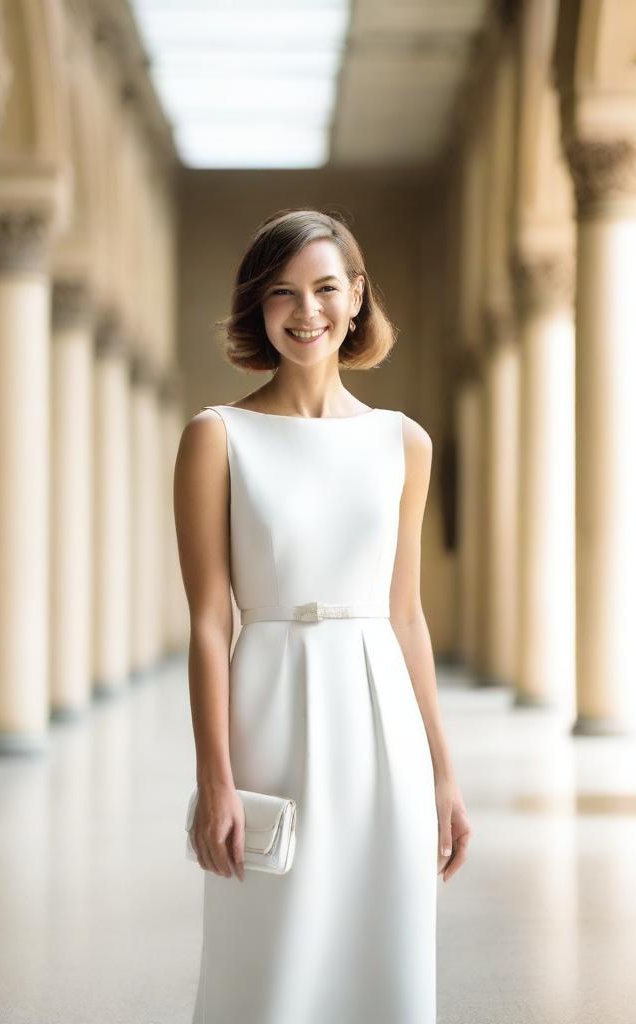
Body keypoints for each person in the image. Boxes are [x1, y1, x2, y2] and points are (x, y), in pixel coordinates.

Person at [173, 208, 471, 1024]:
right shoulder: (217, 436)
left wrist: (443, 773)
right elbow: (207, 621)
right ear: (257, 307)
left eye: (326, 289)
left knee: (385, 947)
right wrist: (215, 779)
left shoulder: (404, 442)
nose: (307, 312)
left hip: (382, 717)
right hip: (269, 709)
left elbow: (406, 614)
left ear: (358, 295)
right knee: (268, 951)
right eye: (283, 293)